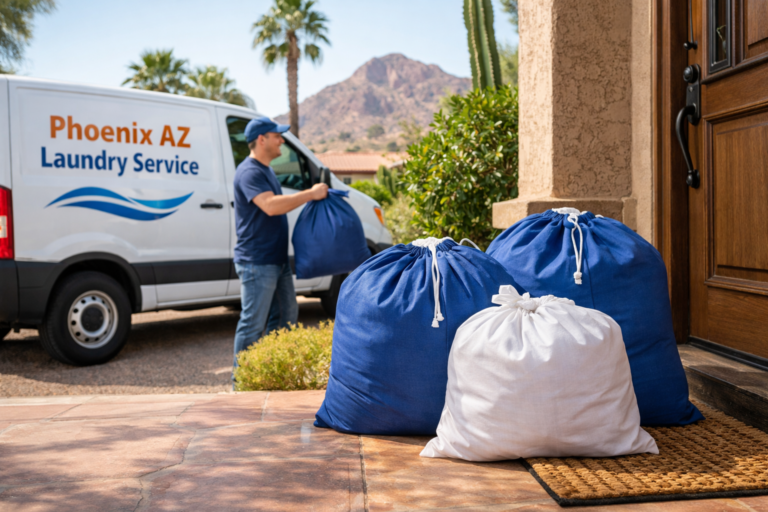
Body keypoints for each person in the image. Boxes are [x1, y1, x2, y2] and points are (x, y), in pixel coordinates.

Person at [232, 116, 328, 382]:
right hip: (257, 262)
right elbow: (271, 206)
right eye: (277, 136)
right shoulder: (249, 171)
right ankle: (240, 384)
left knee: (285, 318)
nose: (281, 140)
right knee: (252, 325)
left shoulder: (266, 170)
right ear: (261, 140)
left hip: (275, 260)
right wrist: (311, 193)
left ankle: (269, 378)